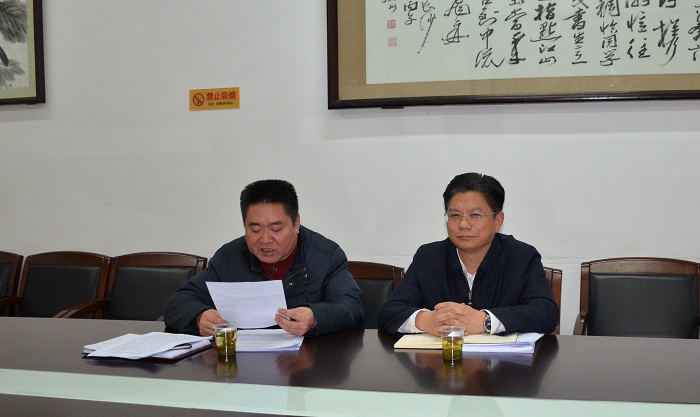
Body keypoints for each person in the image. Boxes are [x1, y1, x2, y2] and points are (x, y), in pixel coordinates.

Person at [164, 179, 364, 337]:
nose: (265, 239)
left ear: (296, 223)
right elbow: (178, 302)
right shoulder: (229, 258)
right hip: (243, 366)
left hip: (308, 365)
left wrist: (315, 317)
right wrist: (199, 317)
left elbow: (352, 309)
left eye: (276, 229)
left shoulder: (326, 256)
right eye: (255, 229)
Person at [378, 173, 558, 337]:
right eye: (455, 215)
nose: (463, 225)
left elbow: (546, 312)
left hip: (503, 362)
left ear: (498, 221)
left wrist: (485, 320)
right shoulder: (428, 258)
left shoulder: (521, 257)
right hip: (441, 361)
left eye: (475, 215)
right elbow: (389, 312)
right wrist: (426, 320)